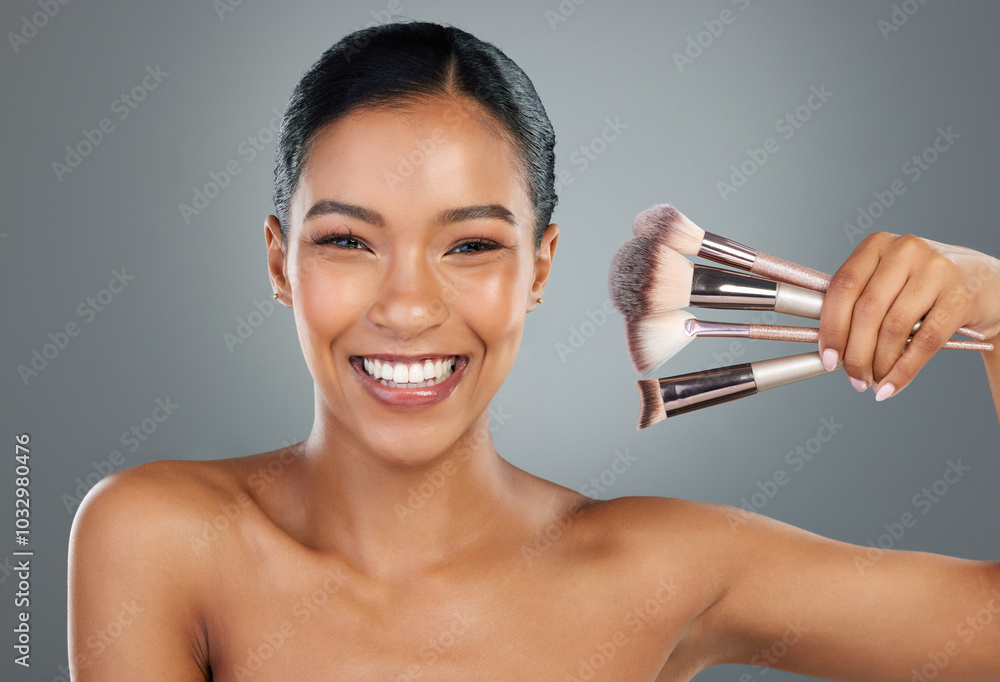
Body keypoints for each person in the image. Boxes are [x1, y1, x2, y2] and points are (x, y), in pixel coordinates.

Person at [68, 20, 1000, 681]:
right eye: (348, 240)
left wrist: (994, 305)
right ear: (279, 260)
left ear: (541, 266)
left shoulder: (658, 568)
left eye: (470, 244)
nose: (406, 307)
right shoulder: (156, 540)